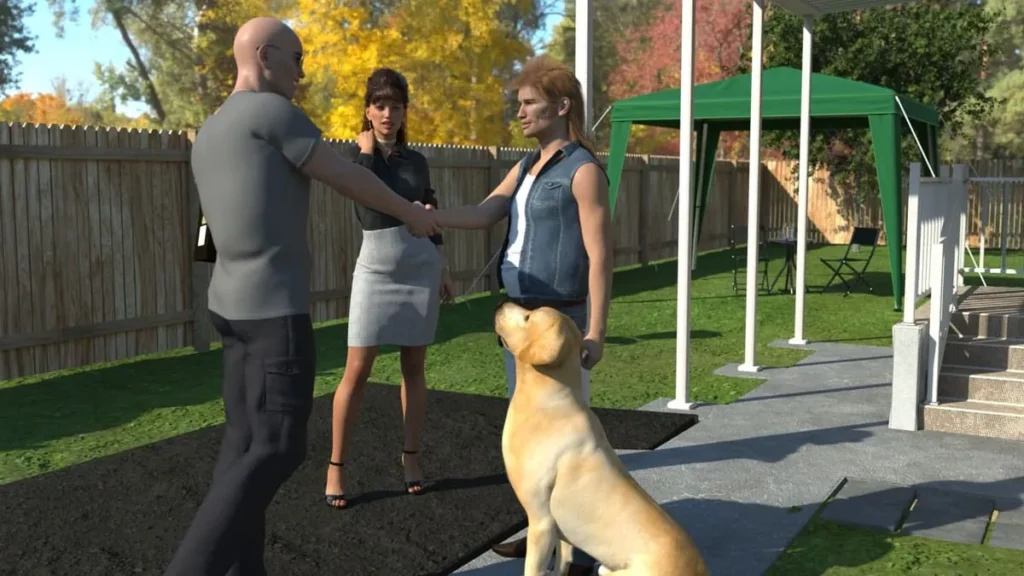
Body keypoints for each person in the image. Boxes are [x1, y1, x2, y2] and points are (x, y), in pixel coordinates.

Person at [164, 17, 439, 576]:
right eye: (296, 59)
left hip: (228, 309)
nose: (302, 73)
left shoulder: (210, 130)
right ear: (264, 56)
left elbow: (207, 227)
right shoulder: (274, 114)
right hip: (273, 313)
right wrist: (410, 212)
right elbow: (347, 177)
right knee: (279, 447)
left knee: (243, 446)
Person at [429, 54, 613, 576]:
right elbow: (486, 212)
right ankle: (543, 533)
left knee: (568, 444)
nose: (520, 112)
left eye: (529, 103)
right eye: (520, 103)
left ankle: (581, 550)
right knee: (533, 441)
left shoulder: (583, 171)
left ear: (562, 106)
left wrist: (597, 332)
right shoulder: (526, 167)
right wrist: (430, 216)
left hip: (558, 327)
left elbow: (601, 256)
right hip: (521, 327)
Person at [323, 68, 455, 509]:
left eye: (396, 106)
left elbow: (430, 211)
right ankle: (336, 465)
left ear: (404, 111)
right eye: (380, 105)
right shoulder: (356, 159)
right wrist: (365, 154)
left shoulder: (416, 161)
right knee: (356, 370)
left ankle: (411, 458)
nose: (388, 114)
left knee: (414, 368)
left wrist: (442, 265)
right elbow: (363, 200)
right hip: (375, 271)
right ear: (367, 110)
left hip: (420, 268)